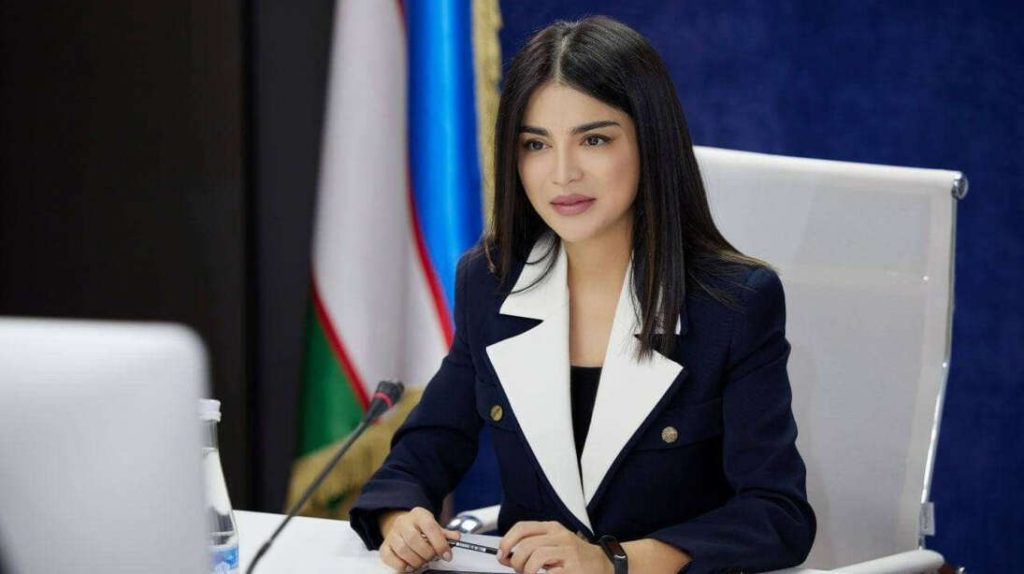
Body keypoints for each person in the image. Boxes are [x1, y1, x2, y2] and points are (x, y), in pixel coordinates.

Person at [350, 16, 815, 574]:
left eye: (594, 139)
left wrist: (614, 560)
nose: (562, 174)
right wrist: (400, 517)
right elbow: (424, 451)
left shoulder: (733, 304)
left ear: (650, 143)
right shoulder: (490, 282)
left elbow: (777, 515)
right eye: (536, 144)